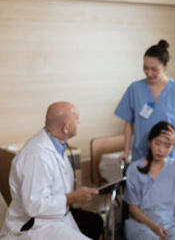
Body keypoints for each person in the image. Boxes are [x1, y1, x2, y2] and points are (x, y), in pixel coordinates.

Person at [0, 102, 103, 240]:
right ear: (66, 128)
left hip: (55, 217)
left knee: (94, 222)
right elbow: (33, 205)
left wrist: (75, 196)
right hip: (34, 226)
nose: (79, 121)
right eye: (76, 118)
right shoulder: (36, 155)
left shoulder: (57, 145)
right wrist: (72, 197)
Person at [115, 39, 175, 162]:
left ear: (166, 66)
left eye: (154, 69)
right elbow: (128, 123)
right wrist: (126, 151)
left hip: (168, 155)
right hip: (141, 154)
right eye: (145, 68)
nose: (149, 73)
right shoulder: (135, 89)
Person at [123, 121, 175, 240]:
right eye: (157, 143)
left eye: (167, 145)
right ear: (150, 142)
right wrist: (154, 227)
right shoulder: (135, 169)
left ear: (173, 147)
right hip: (143, 226)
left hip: (172, 227)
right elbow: (133, 208)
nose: (161, 150)